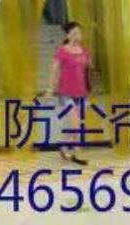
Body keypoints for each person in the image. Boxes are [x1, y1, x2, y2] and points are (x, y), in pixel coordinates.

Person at [46, 21, 92, 165]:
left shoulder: (85, 52)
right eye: (74, 33)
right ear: (68, 35)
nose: (77, 35)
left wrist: (89, 91)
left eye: (79, 32)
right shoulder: (62, 51)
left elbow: (87, 72)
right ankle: (75, 154)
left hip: (82, 94)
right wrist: (50, 89)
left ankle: (64, 146)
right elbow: (54, 71)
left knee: (75, 125)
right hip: (66, 93)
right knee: (76, 125)